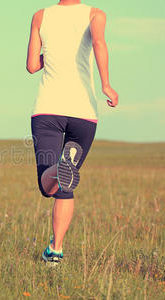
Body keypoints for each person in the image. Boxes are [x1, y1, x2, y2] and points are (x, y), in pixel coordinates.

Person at [26, 0, 119, 265]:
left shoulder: (40, 16)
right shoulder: (95, 14)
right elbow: (99, 44)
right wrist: (107, 85)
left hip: (47, 110)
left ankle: (58, 168)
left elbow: (32, 66)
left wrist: (54, 53)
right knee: (65, 186)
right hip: (83, 112)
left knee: (49, 185)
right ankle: (55, 249)